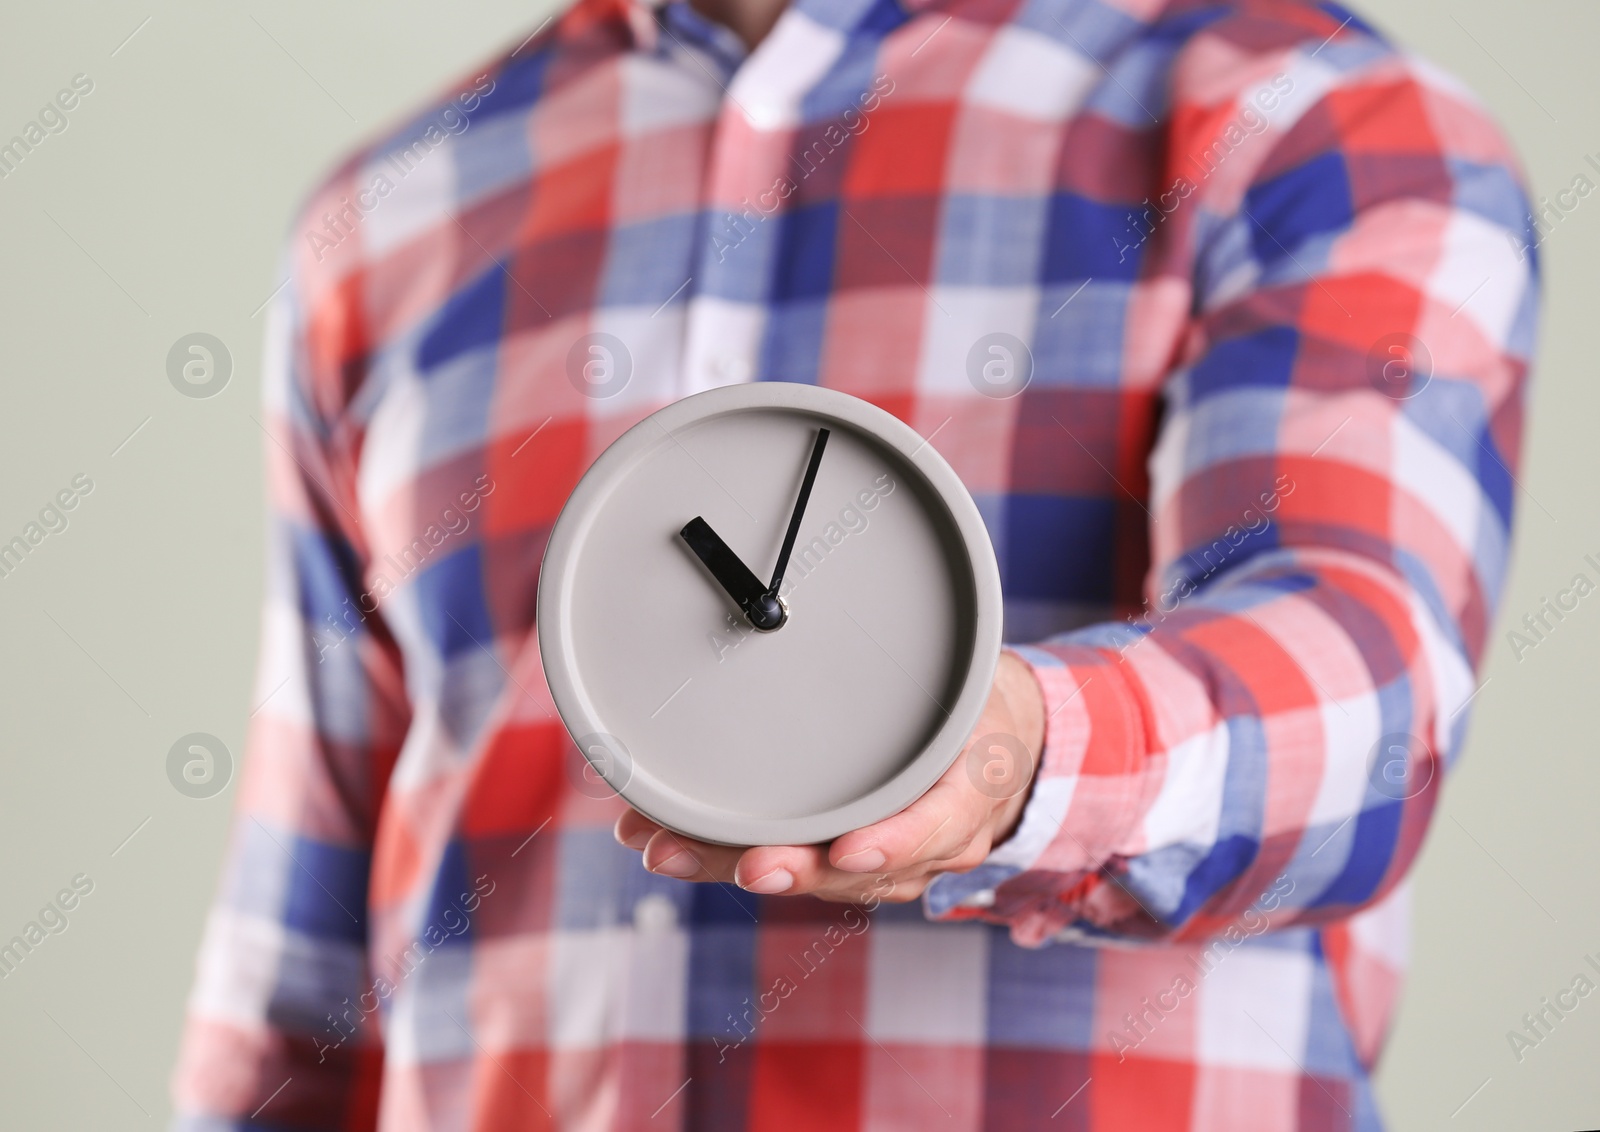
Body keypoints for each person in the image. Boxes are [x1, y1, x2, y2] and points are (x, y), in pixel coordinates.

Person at [170, 0, 1537, 1125]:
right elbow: (306, 945)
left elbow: (1365, 713)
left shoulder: (1304, 123)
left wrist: (1008, 756)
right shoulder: (394, 218)